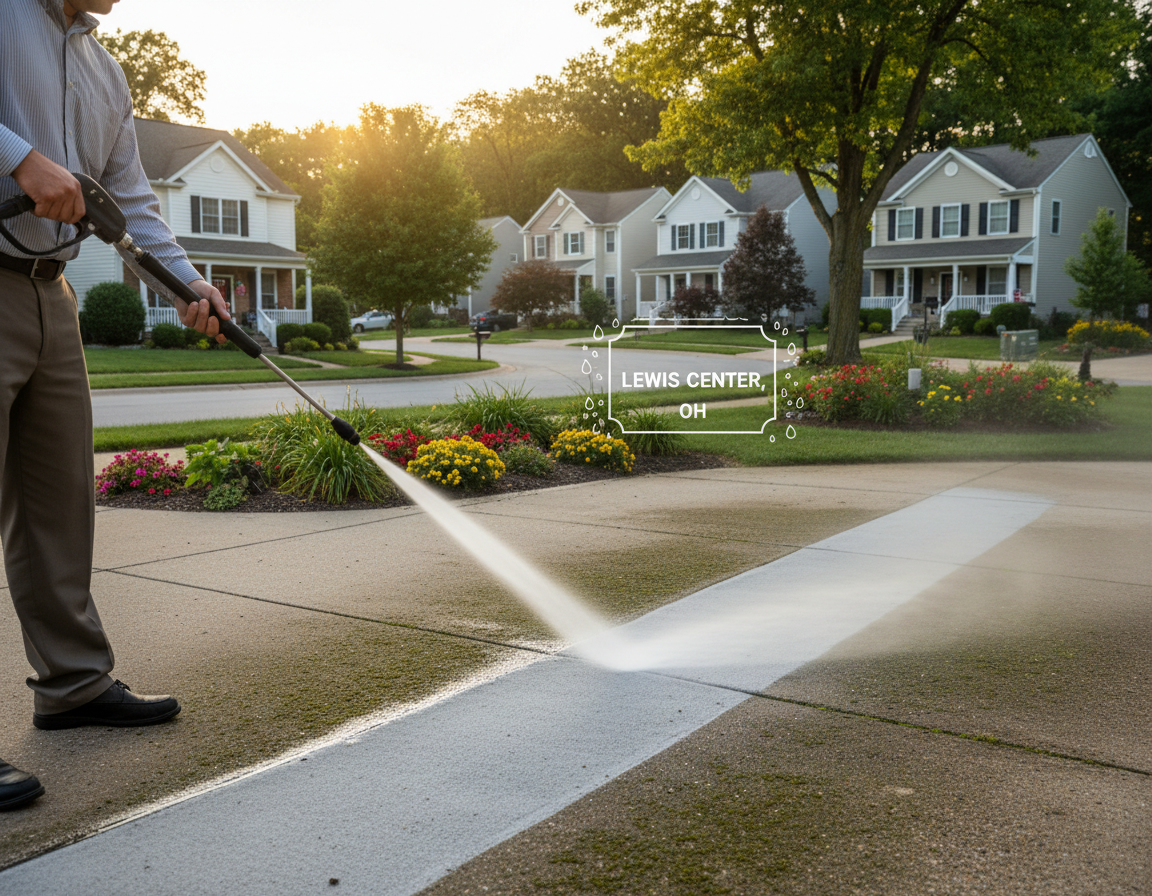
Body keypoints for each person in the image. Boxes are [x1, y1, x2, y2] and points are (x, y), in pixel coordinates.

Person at [0, 0, 231, 810]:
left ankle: (72, 684)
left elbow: (130, 201)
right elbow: (32, 168)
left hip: (49, 291)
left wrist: (187, 283)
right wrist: (19, 157)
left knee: (58, 501)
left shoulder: (104, 70)